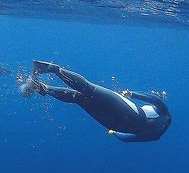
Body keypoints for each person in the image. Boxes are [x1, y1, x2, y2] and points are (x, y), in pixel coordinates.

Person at [21, 60, 171, 142]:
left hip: (132, 114)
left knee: (88, 89)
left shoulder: (165, 114)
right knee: (79, 99)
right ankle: (43, 88)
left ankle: (54, 69)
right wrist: (114, 132)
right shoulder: (155, 136)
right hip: (115, 124)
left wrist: (132, 94)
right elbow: (126, 139)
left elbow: (155, 99)